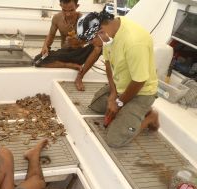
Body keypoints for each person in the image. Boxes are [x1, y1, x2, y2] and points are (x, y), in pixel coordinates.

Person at [77, 9, 159, 147]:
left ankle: (150, 117)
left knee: (114, 141)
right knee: (96, 106)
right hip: (121, 85)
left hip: (141, 92)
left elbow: (139, 81)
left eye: (91, 41)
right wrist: (113, 94)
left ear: (100, 32)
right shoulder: (110, 31)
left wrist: (119, 103)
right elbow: (108, 63)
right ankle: (131, 109)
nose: (92, 44)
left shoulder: (134, 42)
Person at [34, 0, 102, 91]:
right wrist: (45, 46)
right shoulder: (56, 18)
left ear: (77, 6)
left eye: (71, 10)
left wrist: (79, 42)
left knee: (99, 48)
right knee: (38, 60)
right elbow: (51, 35)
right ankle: (70, 65)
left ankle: (79, 77)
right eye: (64, 10)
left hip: (79, 54)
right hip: (64, 54)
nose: (68, 14)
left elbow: (95, 40)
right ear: (60, 6)